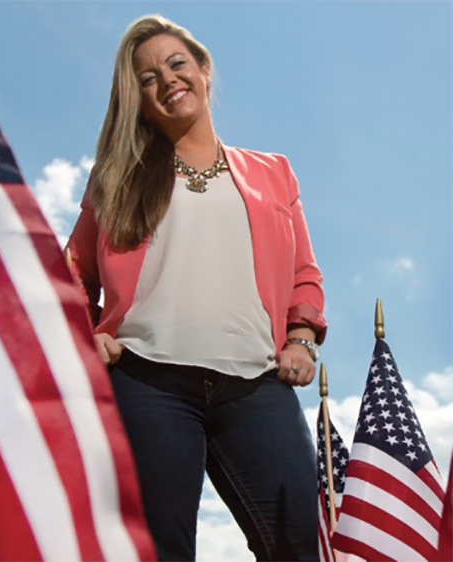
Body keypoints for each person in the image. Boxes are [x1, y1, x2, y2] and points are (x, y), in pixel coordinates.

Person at [66, 15, 326, 562]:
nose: (166, 80)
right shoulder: (114, 177)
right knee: (159, 550)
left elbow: (304, 271)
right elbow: (72, 272)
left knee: (300, 544)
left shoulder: (274, 172)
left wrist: (301, 336)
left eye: (176, 63)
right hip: (145, 383)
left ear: (204, 71)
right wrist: (82, 336)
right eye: (147, 78)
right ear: (137, 100)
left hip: (258, 384)